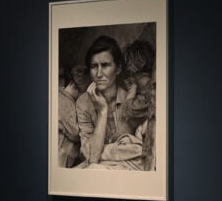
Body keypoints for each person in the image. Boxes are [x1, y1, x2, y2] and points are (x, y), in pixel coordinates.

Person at [75, 35, 143, 169]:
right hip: (98, 164)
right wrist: (102, 111)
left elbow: (132, 148)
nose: (99, 73)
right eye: (94, 66)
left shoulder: (128, 100)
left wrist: (103, 149)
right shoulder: (83, 103)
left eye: (105, 65)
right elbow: (92, 157)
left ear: (118, 69)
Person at [121, 38, 156, 170]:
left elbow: (128, 110)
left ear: (131, 69)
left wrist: (133, 88)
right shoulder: (149, 88)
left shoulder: (149, 90)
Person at [57, 64, 90, 167]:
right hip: (60, 154)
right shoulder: (67, 101)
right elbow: (75, 132)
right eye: (82, 92)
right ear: (73, 85)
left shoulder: (59, 96)